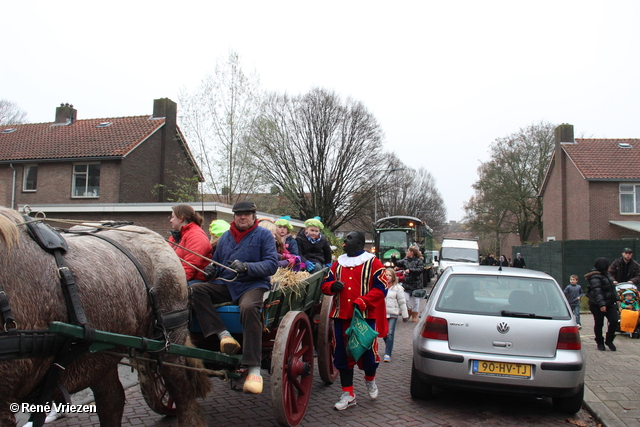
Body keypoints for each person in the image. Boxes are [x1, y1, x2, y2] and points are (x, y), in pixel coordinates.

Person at [191, 201, 278, 394]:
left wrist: (248, 267)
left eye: (247, 214)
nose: (243, 217)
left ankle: (254, 367)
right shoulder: (225, 238)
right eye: (239, 214)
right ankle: (223, 335)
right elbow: (218, 264)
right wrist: (211, 271)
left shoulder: (264, 235)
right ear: (234, 217)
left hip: (253, 284)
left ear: (254, 216)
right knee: (197, 290)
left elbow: (272, 265)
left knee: (248, 307)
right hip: (227, 284)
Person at [321, 231, 388, 411]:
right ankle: (348, 394)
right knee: (342, 355)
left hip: (364, 318)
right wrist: (331, 286)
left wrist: (364, 301)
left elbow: (382, 288)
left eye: (349, 238)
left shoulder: (373, 262)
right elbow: (325, 285)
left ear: (359, 243)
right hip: (340, 317)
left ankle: (370, 379)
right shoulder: (337, 264)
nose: (345, 241)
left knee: (368, 355)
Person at [168, 204, 213, 284]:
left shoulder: (196, 235)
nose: (170, 220)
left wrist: (173, 284)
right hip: (174, 276)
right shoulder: (175, 236)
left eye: (173, 217)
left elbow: (190, 265)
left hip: (193, 281)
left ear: (181, 218)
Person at [585, 257, 619, 351]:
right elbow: (597, 292)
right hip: (597, 304)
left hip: (610, 303)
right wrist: (601, 304)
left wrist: (617, 298)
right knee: (599, 323)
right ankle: (600, 342)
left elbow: (612, 289)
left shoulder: (607, 275)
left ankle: (609, 340)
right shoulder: (595, 277)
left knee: (614, 321)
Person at [383, 267, 408, 362]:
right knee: (384, 333)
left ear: (393, 277)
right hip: (383, 314)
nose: (388, 277)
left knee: (390, 333)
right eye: (386, 275)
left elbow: (402, 302)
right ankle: (388, 346)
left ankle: (387, 353)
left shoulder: (398, 288)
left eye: (390, 275)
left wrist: (405, 315)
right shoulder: (381, 287)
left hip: (393, 313)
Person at [395, 246, 424, 322]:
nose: (407, 252)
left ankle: (415, 315)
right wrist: (393, 258)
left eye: (408, 251)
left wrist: (410, 270)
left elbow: (420, 269)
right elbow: (398, 263)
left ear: (412, 252)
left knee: (416, 301)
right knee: (405, 299)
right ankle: (409, 310)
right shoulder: (405, 260)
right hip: (407, 283)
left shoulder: (419, 261)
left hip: (416, 284)